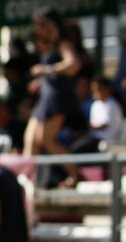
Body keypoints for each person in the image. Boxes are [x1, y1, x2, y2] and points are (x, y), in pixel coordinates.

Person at [23, 9, 87, 178]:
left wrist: (45, 70)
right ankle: (27, 182)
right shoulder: (50, 45)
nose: (39, 30)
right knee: (30, 139)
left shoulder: (64, 43)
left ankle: (75, 173)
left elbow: (73, 65)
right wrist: (41, 80)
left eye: (41, 26)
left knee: (46, 139)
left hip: (57, 99)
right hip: (46, 97)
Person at [84, 75, 125, 145]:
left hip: (106, 139)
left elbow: (104, 125)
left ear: (107, 89)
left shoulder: (112, 104)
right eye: (93, 91)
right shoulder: (95, 104)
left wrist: (85, 126)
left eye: (98, 90)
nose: (96, 93)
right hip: (93, 137)